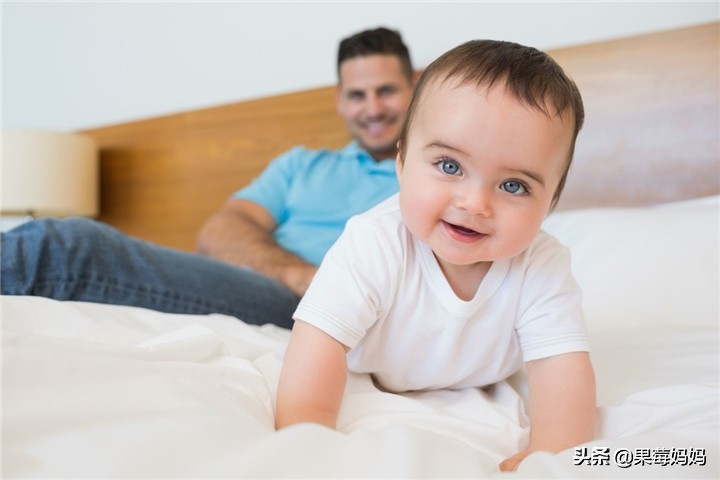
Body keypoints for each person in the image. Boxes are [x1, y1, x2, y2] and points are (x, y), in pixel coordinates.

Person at [274, 39, 597, 472]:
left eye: (514, 185)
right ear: (402, 162)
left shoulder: (541, 264)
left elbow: (561, 366)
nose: (474, 203)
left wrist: (551, 452)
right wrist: (308, 435)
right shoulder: (374, 241)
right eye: (449, 166)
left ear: (550, 204)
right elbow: (319, 340)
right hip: (372, 369)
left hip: (480, 378)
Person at [0, 27, 416, 329]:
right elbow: (219, 231)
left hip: (306, 310)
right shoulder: (301, 164)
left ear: (415, 87)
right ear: (339, 100)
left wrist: (314, 287)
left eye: (386, 91)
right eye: (357, 95)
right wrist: (299, 275)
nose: (372, 109)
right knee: (58, 244)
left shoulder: (431, 178)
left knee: (66, 247)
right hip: (279, 284)